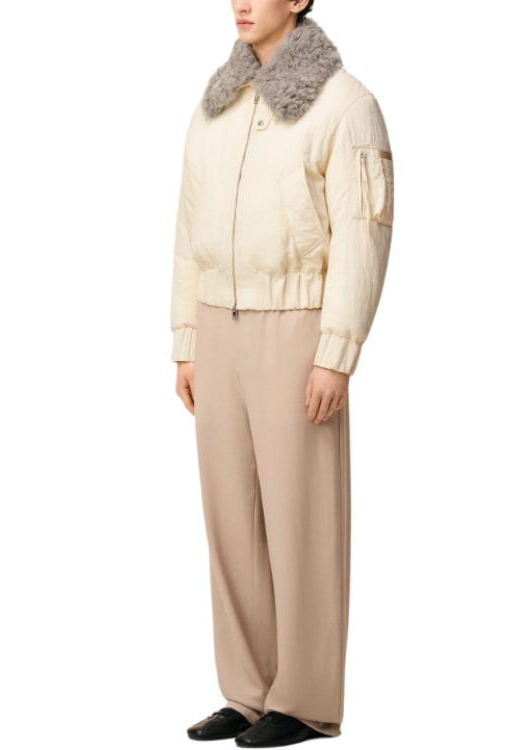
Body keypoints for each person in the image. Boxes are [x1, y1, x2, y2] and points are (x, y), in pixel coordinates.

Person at [169, 1, 394, 746]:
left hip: (297, 325)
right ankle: (247, 691)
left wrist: (336, 352)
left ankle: (302, 700)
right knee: (230, 520)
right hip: (218, 325)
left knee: (303, 519)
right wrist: (185, 338)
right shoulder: (216, 103)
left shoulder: (345, 104)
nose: (240, 2)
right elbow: (188, 226)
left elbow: (362, 236)